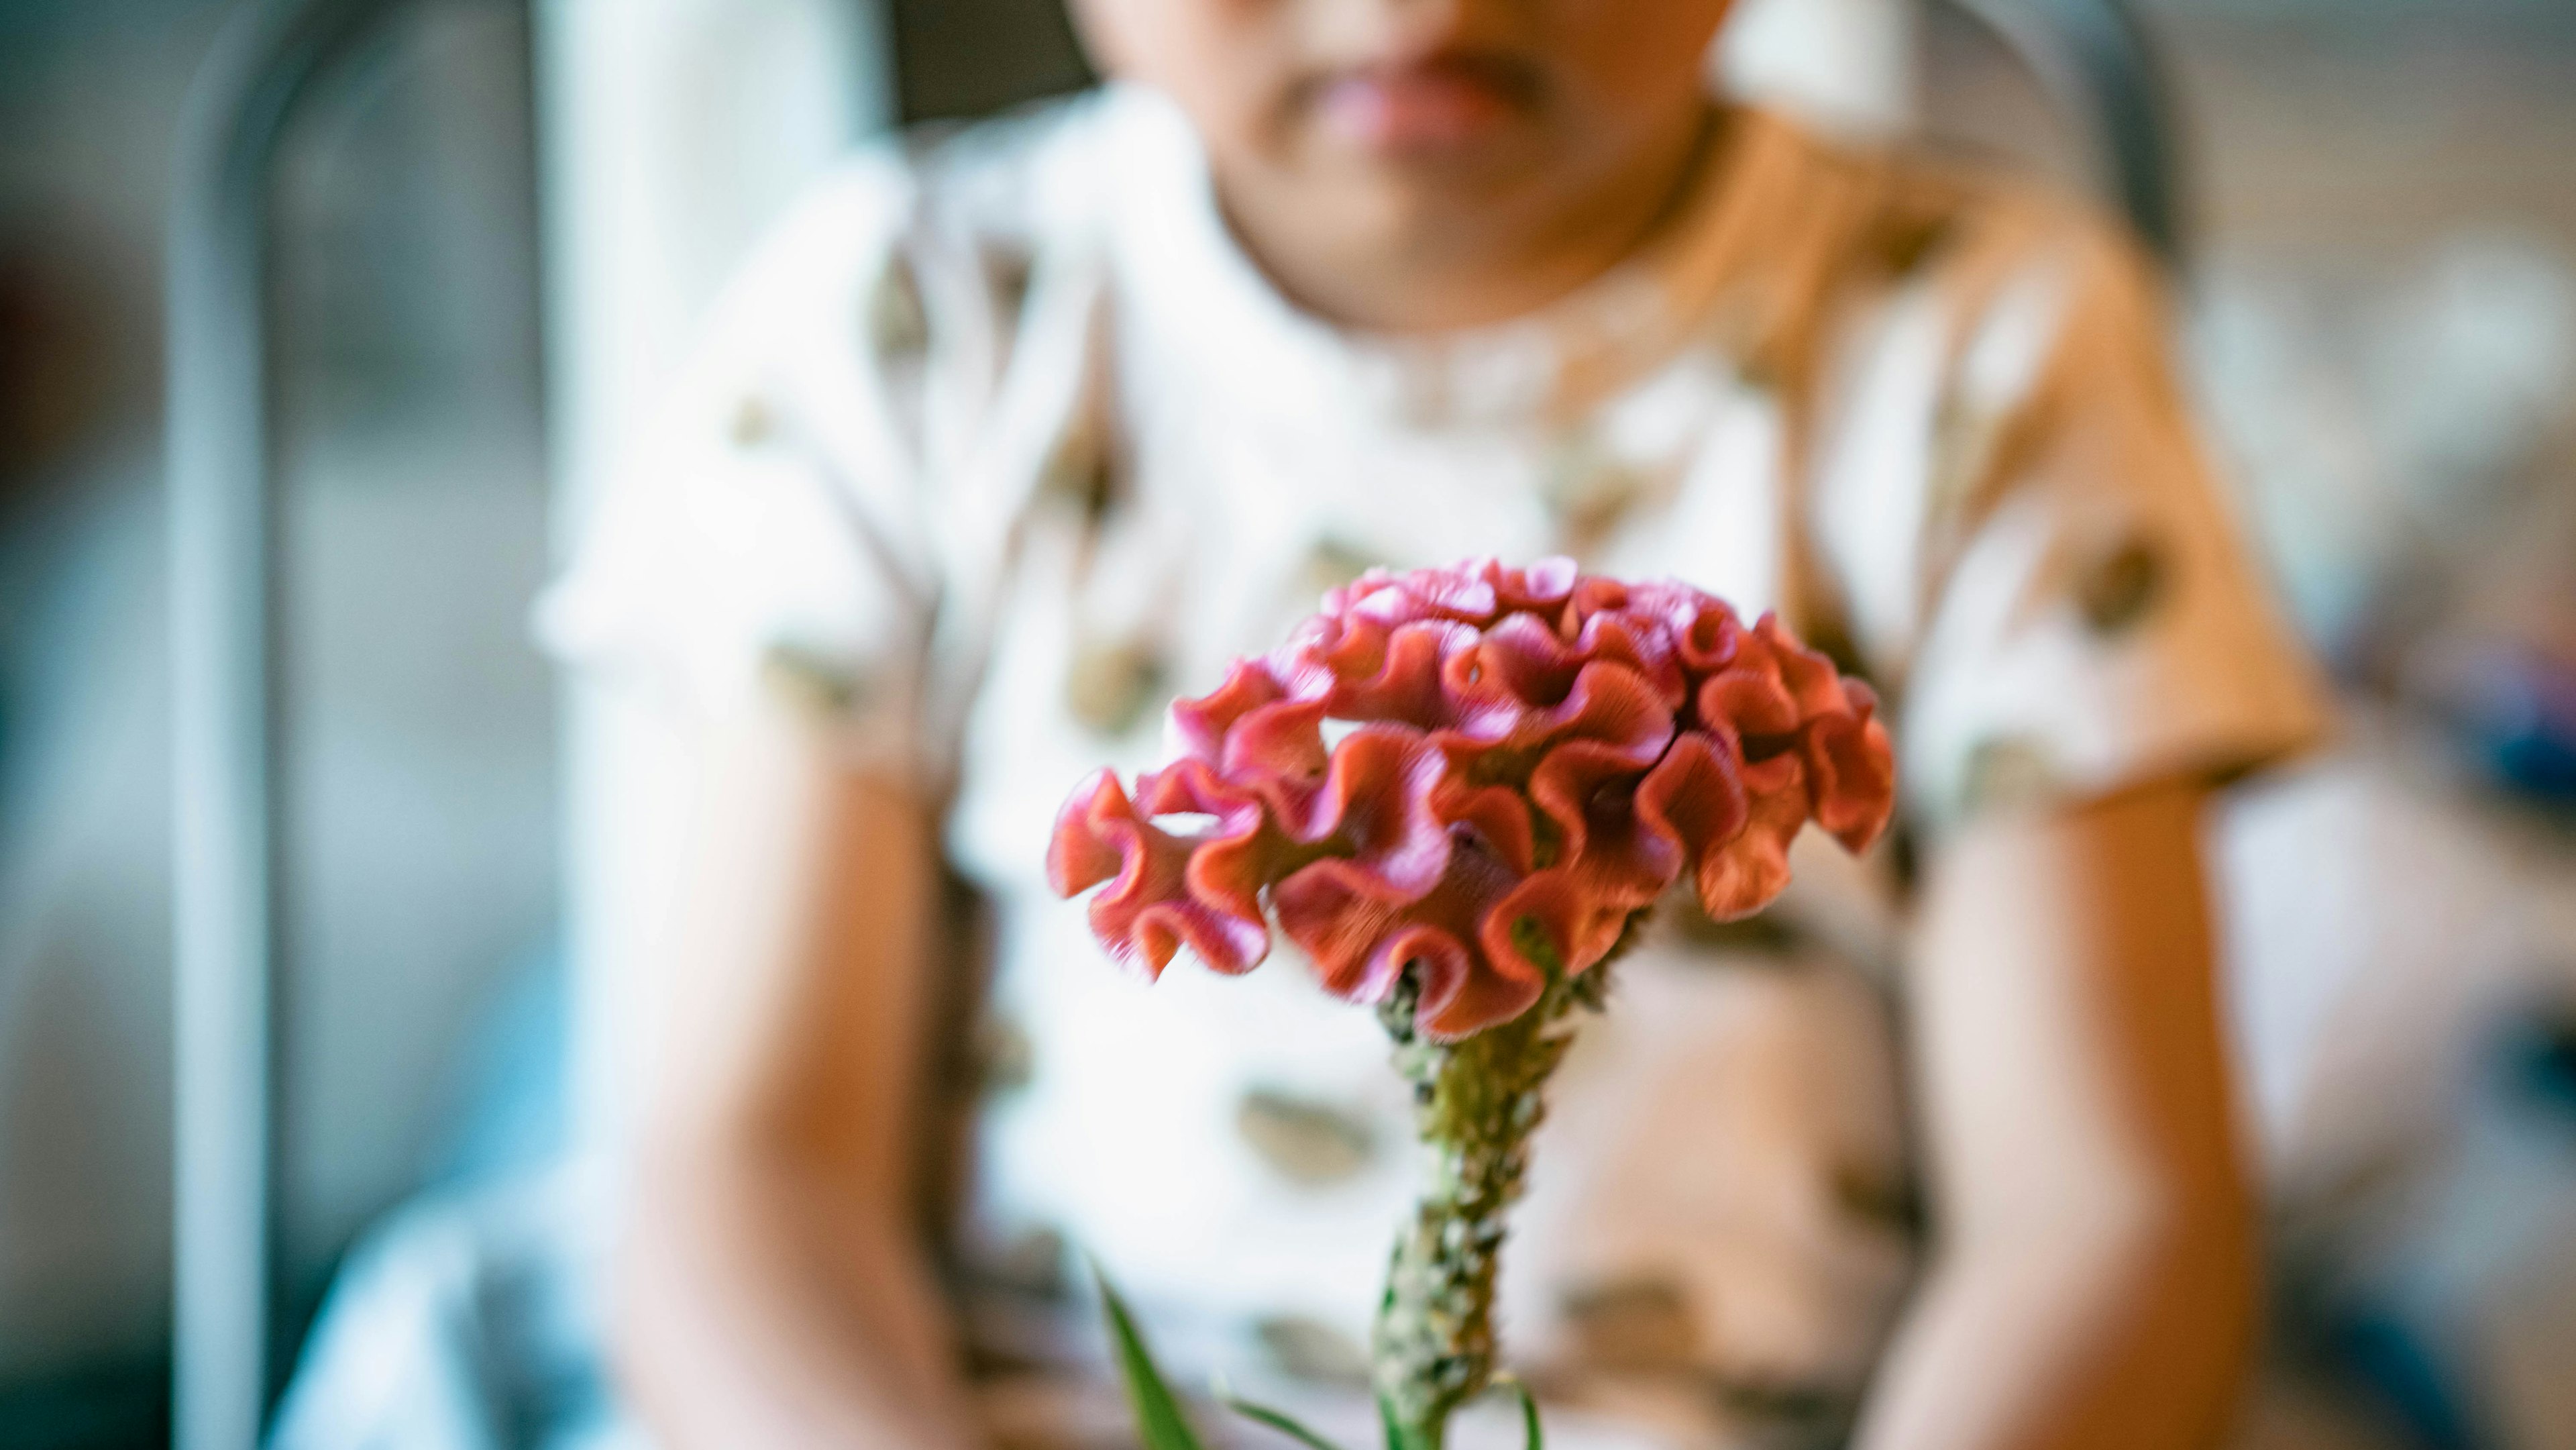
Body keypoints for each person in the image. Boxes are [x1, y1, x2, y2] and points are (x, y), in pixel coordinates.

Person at [539, 0, 2330, 1444]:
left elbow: (2107, 1222)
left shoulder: (1981, 339)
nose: (1417, 7)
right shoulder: (919, 319)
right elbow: (742, 1170)